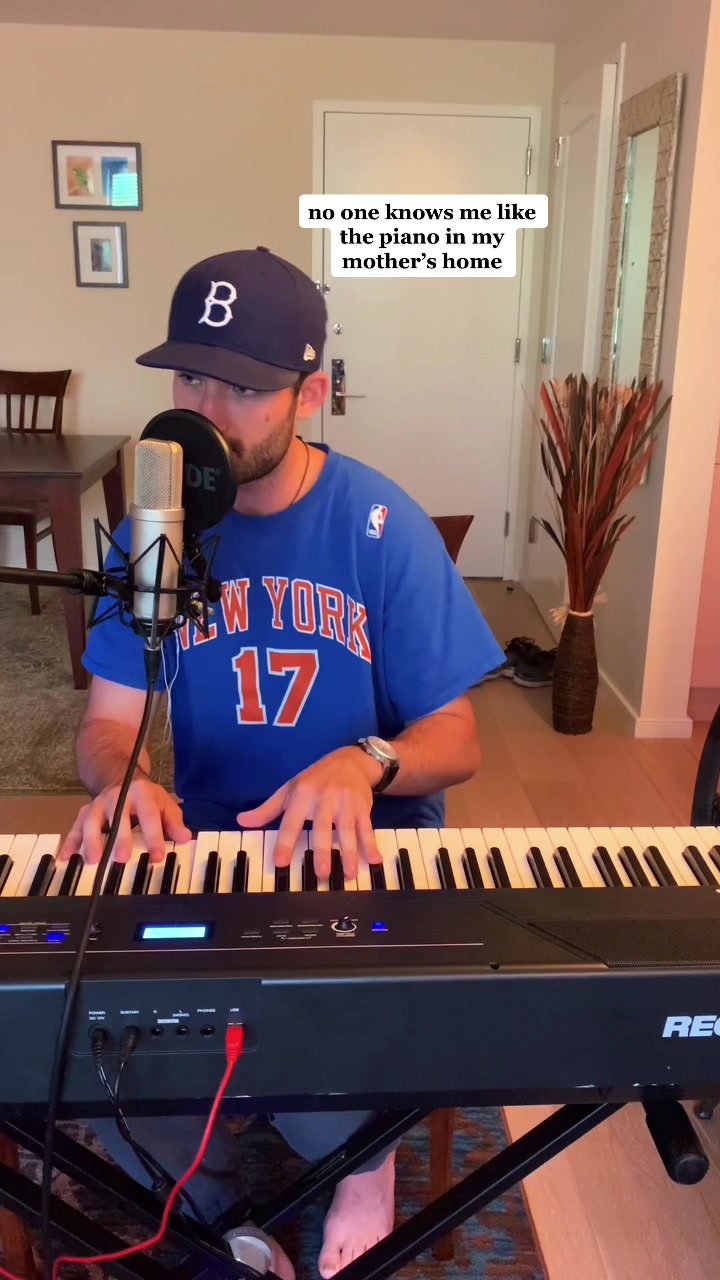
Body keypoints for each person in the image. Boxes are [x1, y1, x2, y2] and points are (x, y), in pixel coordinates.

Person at [58, 246, 505, 1279]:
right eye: (190, 377)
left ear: (309, 394)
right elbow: (105, 725)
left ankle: (359, 1169)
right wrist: (124, 782)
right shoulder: (157, 526)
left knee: (330, 1079)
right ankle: (220, 1214)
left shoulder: (381, 525)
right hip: (208, 847)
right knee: (123, 1065)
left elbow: (460, 738)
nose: (207, 412)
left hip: (361, 853)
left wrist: (365, 759)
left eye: (243, 387)